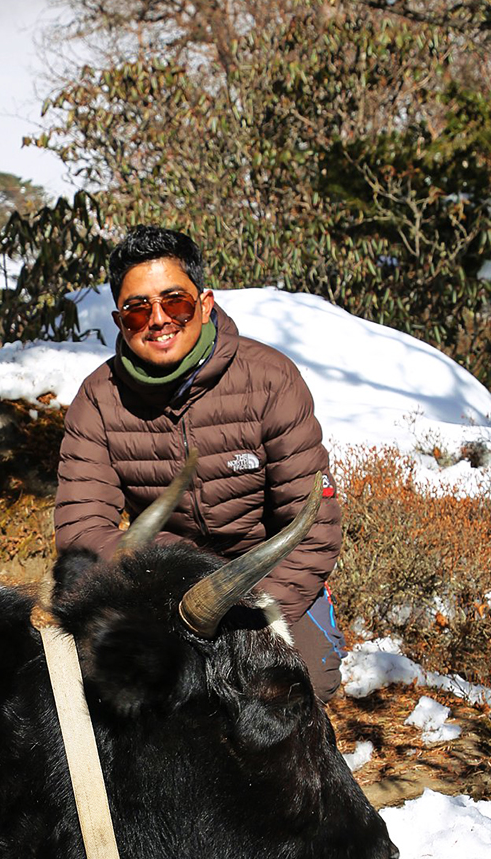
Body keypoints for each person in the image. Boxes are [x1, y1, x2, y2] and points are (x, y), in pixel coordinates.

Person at [54, 225, 346, 701]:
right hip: (161, 585)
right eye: (138, 309)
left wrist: (245, 611)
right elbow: (81, 532)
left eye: (175, 303)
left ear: (205, 304)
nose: (158, 320)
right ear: (119, 320)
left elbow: (314, 526)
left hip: (263, 580)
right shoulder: (98, 400)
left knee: (298, 686)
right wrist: (177, 579)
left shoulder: (270, 379)